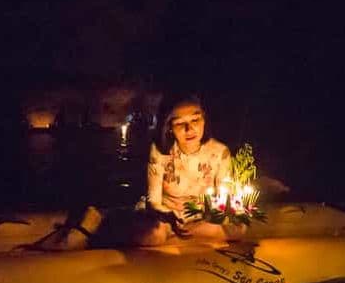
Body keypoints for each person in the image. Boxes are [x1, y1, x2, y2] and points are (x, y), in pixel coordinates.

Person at [36, 93, 242, 251]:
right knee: (155, 235)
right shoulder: (161, 152)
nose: (190, 129)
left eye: (195, 120)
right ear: (169, 127)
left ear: (204, 120)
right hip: (164, 218)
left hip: (201, 221)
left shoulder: (220, 152)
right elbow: (154, 202)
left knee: (239, 229)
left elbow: (226, 199)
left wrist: (216, 217)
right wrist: (171, 218)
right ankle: (99, 221)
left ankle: (186, 235)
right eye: (180, 124)